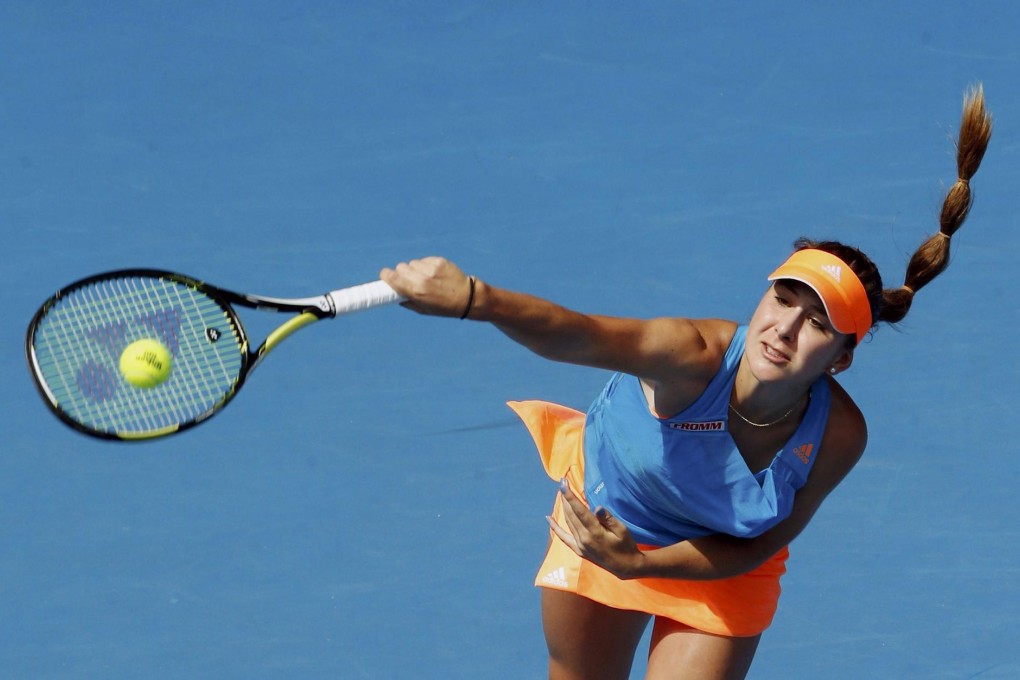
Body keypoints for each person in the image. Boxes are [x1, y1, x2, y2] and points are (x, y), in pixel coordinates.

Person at [379, 87, 991, 680]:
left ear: (839, 359)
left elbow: (760, 545)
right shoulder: (690, 354)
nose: (784, 328)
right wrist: (475, 300)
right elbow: (579, 334)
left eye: (818, 323)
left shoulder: (838, 436)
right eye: (783, 299)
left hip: (719, 568)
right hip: (606, 524)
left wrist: (644, 566)